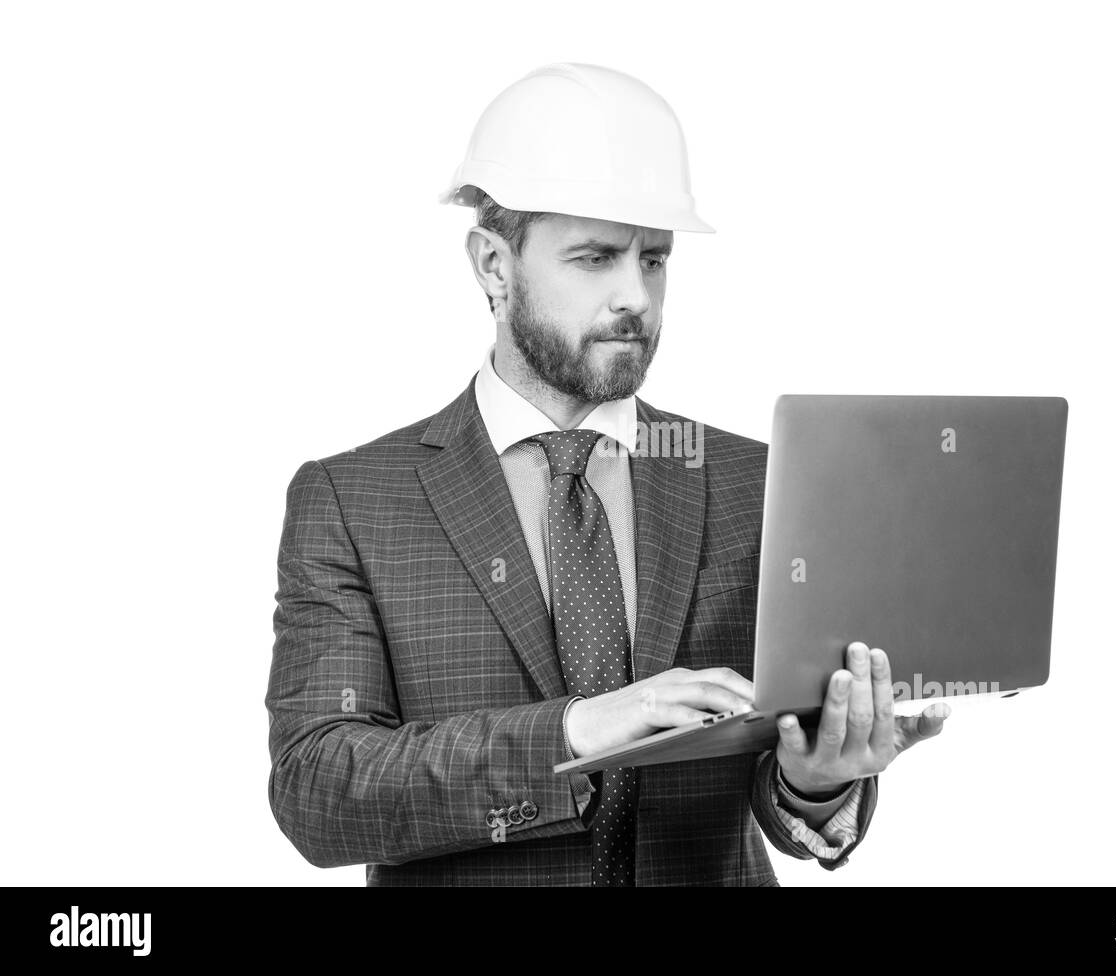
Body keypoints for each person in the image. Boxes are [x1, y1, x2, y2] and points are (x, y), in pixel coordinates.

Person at [265, 62, 950, 886]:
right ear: (492, 264)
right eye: (595, 259)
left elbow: (784, 771)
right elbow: (319, 790)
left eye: (654, 260)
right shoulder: (354, 502)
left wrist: (819, 778)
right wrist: (573, 731)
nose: (637, 296)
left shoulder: (758, 480)